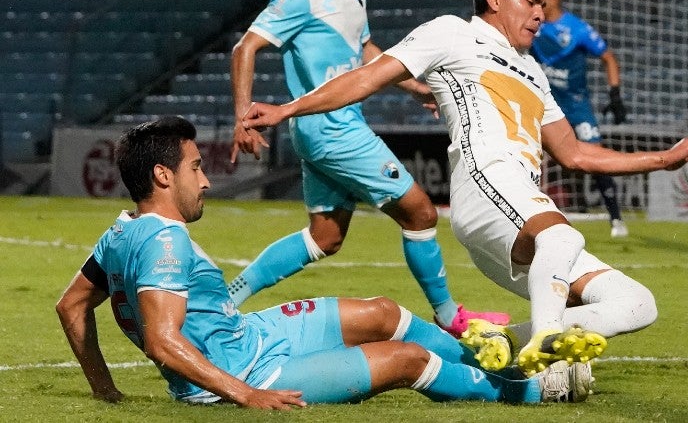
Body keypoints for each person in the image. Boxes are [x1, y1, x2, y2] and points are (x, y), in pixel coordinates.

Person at [239, 0, 688, 377]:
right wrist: (286, 109)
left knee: (637, 303)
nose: (541, 12)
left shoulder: (533, 71)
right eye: (530, 1)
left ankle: (505, 341)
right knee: (563, 234)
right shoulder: (451, 33)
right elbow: (366, 78)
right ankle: (548, 342)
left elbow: (574, 153)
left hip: (517, 212)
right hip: (486, 183)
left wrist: (665, 157)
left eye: (543, 4)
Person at [55, 116, 592, 409]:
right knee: (404, 360)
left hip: (251, 335)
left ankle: (493, 360)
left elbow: (71, 306)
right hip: (248, 370)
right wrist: (247, 395)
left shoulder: (122, 230)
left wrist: (105, 391)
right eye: (196, 168)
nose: (207, 180)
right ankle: (527, 390)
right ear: (163, 177)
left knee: (382, 311)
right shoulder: (165, 240)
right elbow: (161, 340)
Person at [227, 0, 507, 336]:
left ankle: (228, 301)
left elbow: (365, 49)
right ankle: (450, 317)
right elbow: (244, 48)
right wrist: (243, 116)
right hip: (330, 127)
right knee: (421, 213)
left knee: (324, 237)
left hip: (328, 127)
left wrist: (413, 87)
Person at [530, 0, 629, 238]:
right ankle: (528, 215)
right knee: (529, 156)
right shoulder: (532, 27)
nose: (538, 2)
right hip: (544, 103)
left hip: (576, 106)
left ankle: (616, 218)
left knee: (594, 156)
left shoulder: (577, 29)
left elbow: (608, 57)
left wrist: (615, 94)